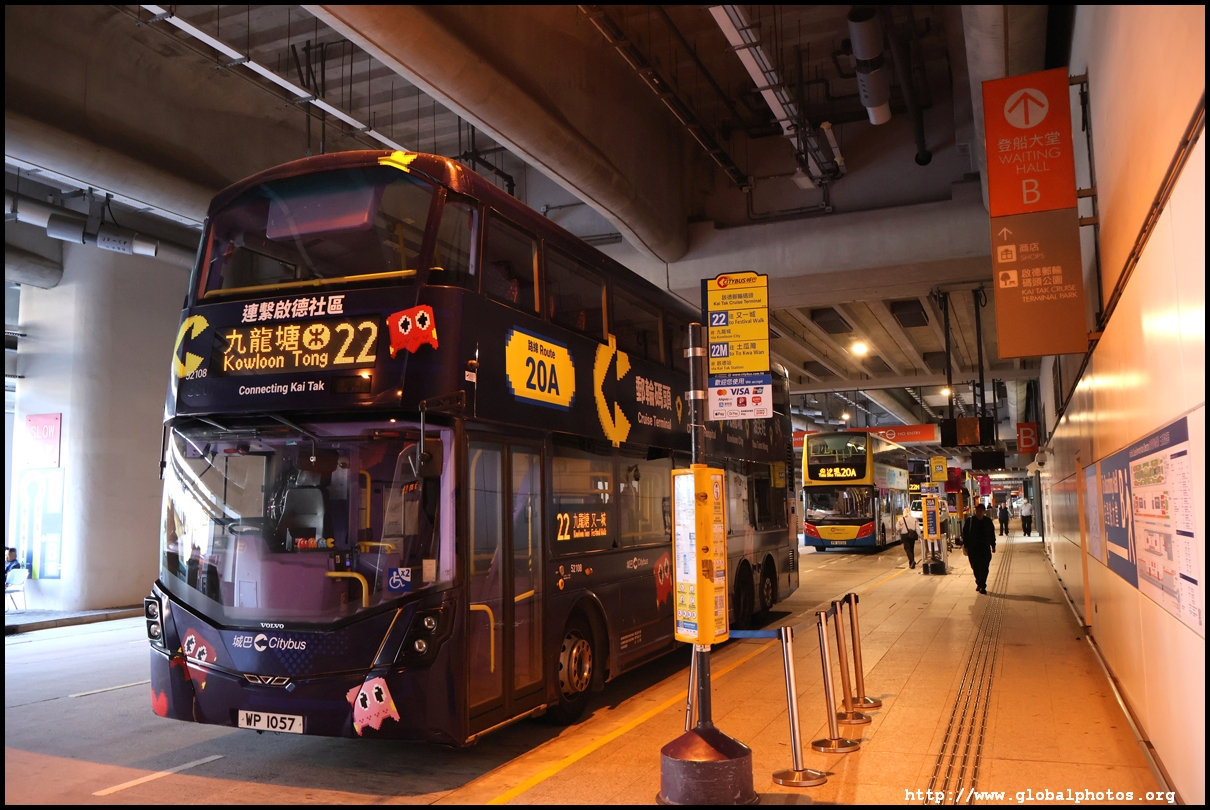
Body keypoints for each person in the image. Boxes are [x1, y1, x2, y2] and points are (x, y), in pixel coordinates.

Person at [963, 503, 997, 594]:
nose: (978, 512)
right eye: (977, 511)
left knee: (985, 567)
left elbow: (992, 534)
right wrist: (966, 545)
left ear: (984, 512)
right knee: (975, 567)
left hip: (985, 548)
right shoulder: (970, 521)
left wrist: (993, 545)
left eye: (981, 511)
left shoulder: (988, 521)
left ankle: (982, 585)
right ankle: (979, 581)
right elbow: (965, 534)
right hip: (973, 549)